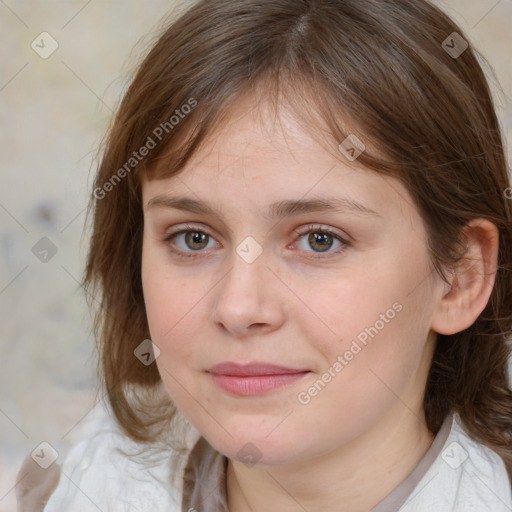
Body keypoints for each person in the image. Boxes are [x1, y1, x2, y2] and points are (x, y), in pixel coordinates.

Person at [16, 0, 512, 510]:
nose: (238, 307)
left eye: (320, 239)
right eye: (194, 238)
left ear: (461, 277)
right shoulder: (64, 490)